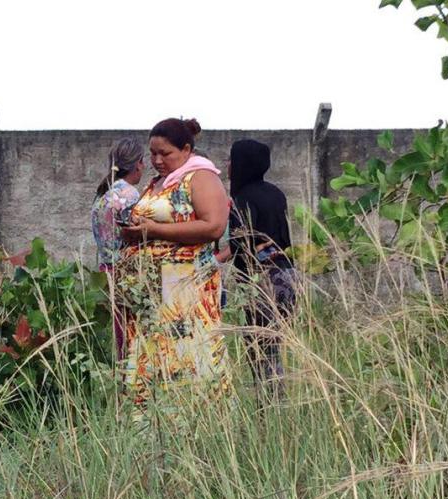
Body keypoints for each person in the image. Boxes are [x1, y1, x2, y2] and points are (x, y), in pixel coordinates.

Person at [117, 118, 230, 412]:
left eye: (165, 154)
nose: (157, 160)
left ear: (187, 149)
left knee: (185, 355)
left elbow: (214, 226)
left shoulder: (200, 177)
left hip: (184, 286)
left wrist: (152, 231)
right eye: (153, 154)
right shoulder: (158, 182)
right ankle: (152, 429)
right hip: (151, 294)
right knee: (152, 355)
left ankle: (193, 427)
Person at [221, 139, 297, 382]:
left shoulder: (241, 198)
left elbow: (241, 243)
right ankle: (275, 407)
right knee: (274, 347)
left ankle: (269, 409)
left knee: (260, 351)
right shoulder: (276, 193)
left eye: (232, 159)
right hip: (287, 276)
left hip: (260, 282)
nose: (228, 165)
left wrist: (212, 260)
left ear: (243, 163)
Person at [91, 138, 144, 271]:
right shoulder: (130, 195)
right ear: (138, 164)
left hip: (105, 270)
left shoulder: (103, 193)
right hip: (125, 271)